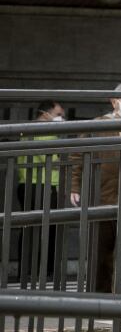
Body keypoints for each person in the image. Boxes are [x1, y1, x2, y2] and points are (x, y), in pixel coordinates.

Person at [70, 82, 121, 294]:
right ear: (114, 101)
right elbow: (78, 155)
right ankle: (99, 293)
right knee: (101, 248)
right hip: (102, 196)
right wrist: (76, 186)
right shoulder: (98, 125)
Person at [15, 100, 66, 277]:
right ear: (45, 113)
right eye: (59, 115)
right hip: (41, 186)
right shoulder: (43, 132)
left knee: (32, 227)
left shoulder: (29, 130)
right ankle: (41, 270)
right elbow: (54, 160)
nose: (62, 119)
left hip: (31, 185)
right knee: (45, 229)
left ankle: (30, 269)